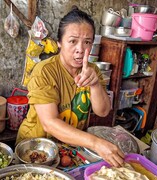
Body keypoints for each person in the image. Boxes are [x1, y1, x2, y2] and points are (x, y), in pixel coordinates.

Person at [16, 6, 124, 167]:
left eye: (87, 42)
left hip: (69, 147)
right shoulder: (44, 71)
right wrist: (95, 143)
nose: (80, 49)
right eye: (73, 41)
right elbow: (49, 123)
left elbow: (103, 111)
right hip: (36, 149)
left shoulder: (92, 70)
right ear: (59, 42)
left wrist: (95, 85)